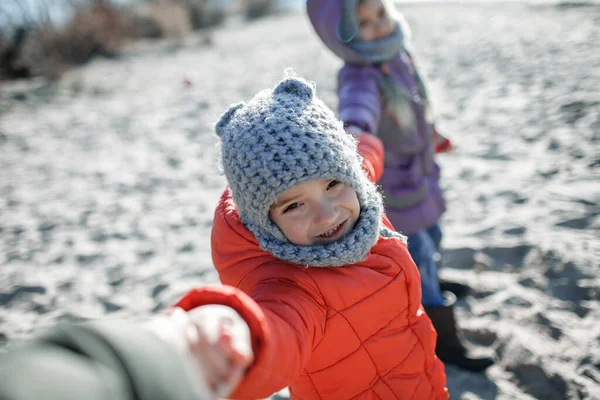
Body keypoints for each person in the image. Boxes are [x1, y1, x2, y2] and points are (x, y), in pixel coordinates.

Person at [0, 74, 448, 399]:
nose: (328, 213)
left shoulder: (357, 192)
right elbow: (276, 331)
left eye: (333, 184)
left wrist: (366, 135)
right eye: (294, 205)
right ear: (264, 220)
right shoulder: (293, 287)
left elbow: (361, 157)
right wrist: (228, 335)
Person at [306, 0, 494, 372]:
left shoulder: (398, 55)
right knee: (418, 250)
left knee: (434, 236)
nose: (379, 26)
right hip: (393, 185)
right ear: (342, 36)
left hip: (419, 173)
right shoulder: (359, 74)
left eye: (380, 14)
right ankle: (445, 339)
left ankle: (435, 279)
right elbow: (358, 109)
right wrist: (357, 133)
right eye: (364, 23)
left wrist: (434, 135)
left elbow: (414, 109)